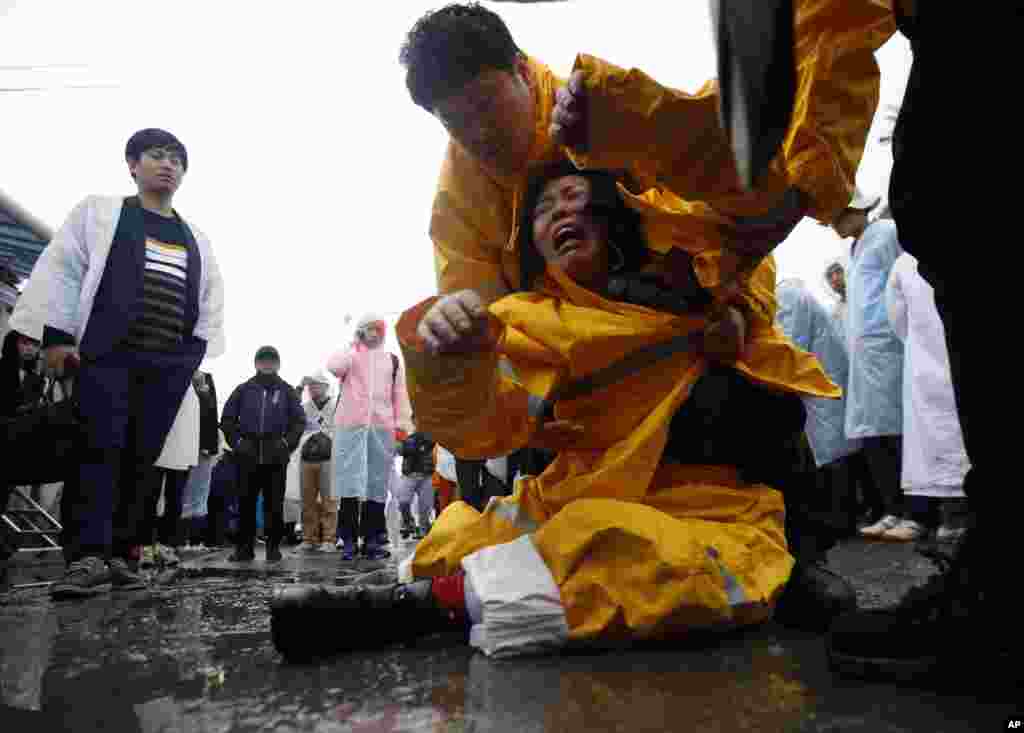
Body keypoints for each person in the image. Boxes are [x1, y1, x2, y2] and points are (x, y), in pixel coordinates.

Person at [269, 165, 846, 661]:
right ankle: (400, 589)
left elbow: (742, 235)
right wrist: (447, 356)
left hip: (709, 501)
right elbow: (479, 424)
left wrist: (739, 313)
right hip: (584, 492)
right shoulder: (527, 317)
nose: (559, 211)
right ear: (535, 244)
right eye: (543, 208)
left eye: (574, 198)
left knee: (654, 562)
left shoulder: (695, 276)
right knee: (497, 526)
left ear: (616, 214)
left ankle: (419, 610)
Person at [9, 128, 225, 599]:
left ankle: (124, 555)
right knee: (96, 449)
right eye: (156, 155)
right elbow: (65, 270)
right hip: (106, 355)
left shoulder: (196, 239)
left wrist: (191, 357)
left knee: (143, 459)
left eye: (177, 160)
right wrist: (58, 338)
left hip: (167, 365)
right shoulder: (101, 214)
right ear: (133, 165)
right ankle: (87, 557)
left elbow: (209, 302)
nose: (168, 165)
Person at [834, 194, 914, 541]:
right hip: (864, 353)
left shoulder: (886, 232)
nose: (833, 226)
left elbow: (907, 281)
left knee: (897, 429)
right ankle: (890, 509)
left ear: (855, 210)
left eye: (837, 217)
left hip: (886, 346)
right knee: (872, 431)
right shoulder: (855, 248)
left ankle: (913, 511)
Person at [884, 253, 969, 540]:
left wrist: (918, 344)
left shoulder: (903, 263)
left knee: (934, 438)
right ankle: (954, 518)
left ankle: (946, 519)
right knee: (955, 436)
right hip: (939, 356)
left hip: (924, 358)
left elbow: (897, 318)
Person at [775, 279, 862, 538]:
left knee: (829, 451)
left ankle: (840, 523)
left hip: (820, 384)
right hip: (821, 383)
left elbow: (791, 346)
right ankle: (841, 520)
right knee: (831, 450)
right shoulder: (791, 293)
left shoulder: (788, 295)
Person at [327, 315, 413, 561]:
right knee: (349, 484)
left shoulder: (392, 361)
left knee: (376, 486)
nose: (374, 333)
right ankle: (349, 541)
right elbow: (334, 366)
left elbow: (400, 397)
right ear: (361, 331)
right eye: (368, 329)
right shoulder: (351, 355)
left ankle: (373, 540)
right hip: (350, 428)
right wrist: (353, 342)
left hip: (380, 429)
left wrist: (400, 429)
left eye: (378, 329)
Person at [220, 346, 305, 564]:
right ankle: (244, 548)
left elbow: (299, 422)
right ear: (256, 363)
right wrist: (238, 443)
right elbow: (227, 419)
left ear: (278, 364)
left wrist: (286, 444)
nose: (267, 364)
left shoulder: (287, 391)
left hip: (275, 457)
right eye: (263, 361)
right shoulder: (243, 389)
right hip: (247, 456)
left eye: (271, 361)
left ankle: (273, 547)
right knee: (245, 503)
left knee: (274, 503)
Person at [139, 381, 200, 568]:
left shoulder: (192, 389)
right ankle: (146, 548)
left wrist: (193, 451)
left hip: (181, 449)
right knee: (148, 498)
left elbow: (195, 422)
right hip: (154, 448)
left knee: (174, 500)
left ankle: (167, 545)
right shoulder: (156, 378)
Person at [298, 370, 339, 552]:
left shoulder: (336, 404)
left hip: (329, 457)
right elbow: (290, 405)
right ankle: (309, 538)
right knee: (307, 500)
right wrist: (299, 385)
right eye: (311, 385)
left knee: (329, 500)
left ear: (326, 386)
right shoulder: (305, 407)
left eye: (317, 384)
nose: (314, 388)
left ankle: (329, 539)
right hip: (307, 457)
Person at [182, 371, 219, 546]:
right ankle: (179, 538)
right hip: (180, 446)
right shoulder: (177, 373)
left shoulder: (206, 378)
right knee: (179, 492)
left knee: (198, 493)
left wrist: (209, 446)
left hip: (201, 448)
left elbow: (211, 414)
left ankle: (195, 540)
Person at [395, 428, 436, 539]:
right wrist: (401, 442)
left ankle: (423, 528)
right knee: (403, 501)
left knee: (425, 505)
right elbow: (399, 450)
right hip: (409, 475)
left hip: (426, 476)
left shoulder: (432, 436)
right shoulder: (407, 436)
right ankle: (408, 522)